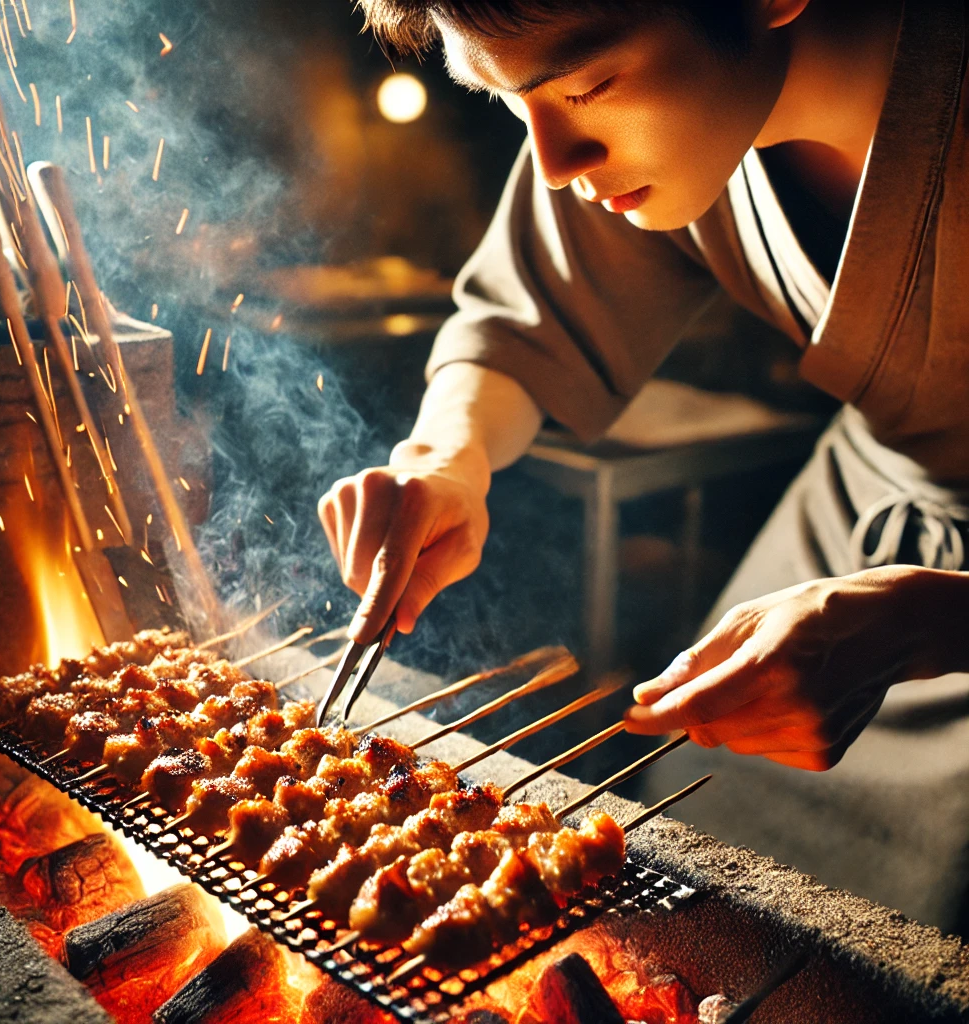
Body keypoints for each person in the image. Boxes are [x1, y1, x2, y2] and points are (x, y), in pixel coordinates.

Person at [319, 0, 969, 931]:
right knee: (696, 894)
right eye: (511, 100)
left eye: (584, 86)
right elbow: (524, 320)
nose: (551, 163)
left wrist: (926, 624)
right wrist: (444, 455)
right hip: (860, 518)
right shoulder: (664, 114)